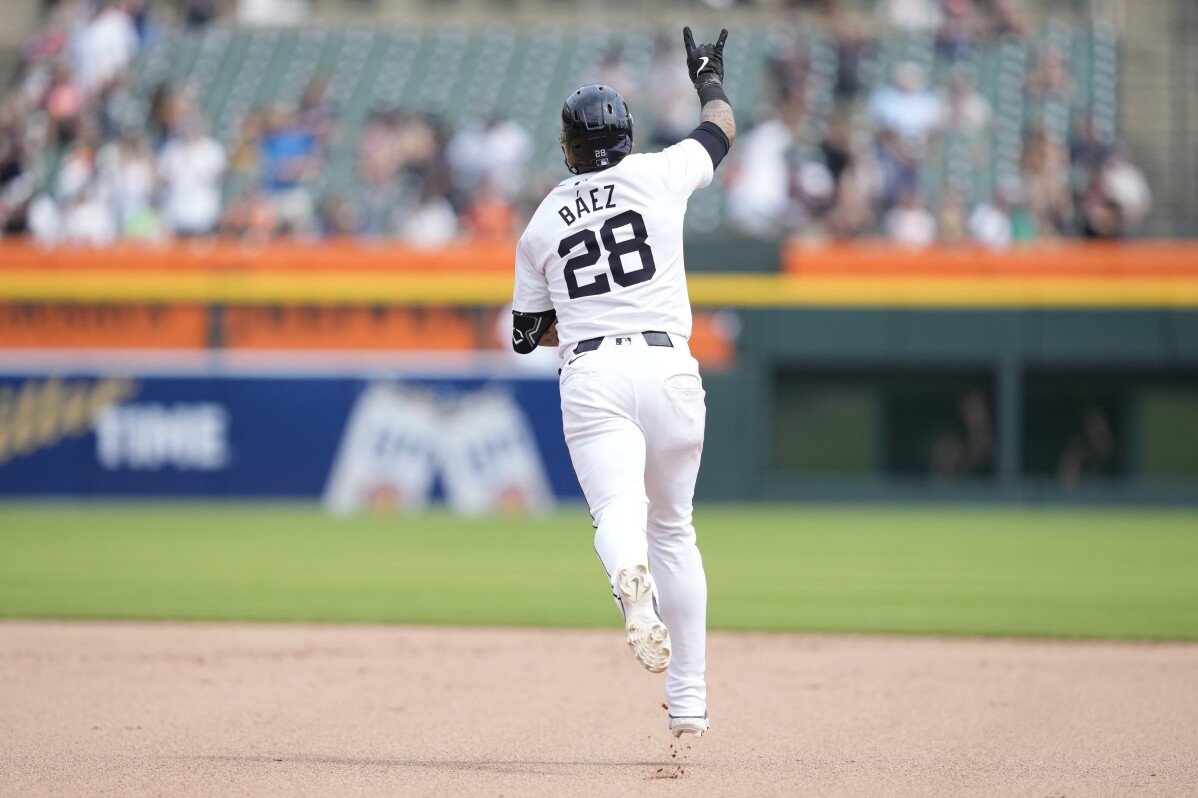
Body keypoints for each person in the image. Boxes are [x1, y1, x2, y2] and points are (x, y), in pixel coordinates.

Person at [509, 27, 736, 740]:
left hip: (594, 369)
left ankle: (628, 584)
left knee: (617, 509)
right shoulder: (661, 174)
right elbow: (721, 129)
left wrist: (577, 321)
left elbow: (524, 334)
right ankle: (690, 698)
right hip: (670, 366)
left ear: (568, 148)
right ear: (627, 136)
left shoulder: (544, 219)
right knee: (676, 529)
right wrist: (707, 79)